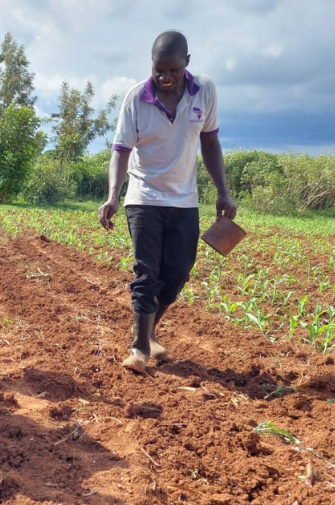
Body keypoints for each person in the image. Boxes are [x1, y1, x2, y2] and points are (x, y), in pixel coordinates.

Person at [98, 30, 237, 374]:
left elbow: (210, 143)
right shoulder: (136, 98)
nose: (164, 77)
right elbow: (120, 152)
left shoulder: (205, 91)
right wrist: (113, 195)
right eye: (159, 70)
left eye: (172, 70)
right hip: (143, 196)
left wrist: (222, 190)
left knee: (176, 274)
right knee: (147, 272)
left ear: (187, 63)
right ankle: (140, 348)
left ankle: (150, 330)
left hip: (184, 200)